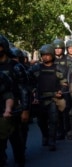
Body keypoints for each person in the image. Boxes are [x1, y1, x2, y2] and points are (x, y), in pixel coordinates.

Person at [28, 44, 67, 151]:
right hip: (40, 99)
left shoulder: (58, 69)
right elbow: (29, 82)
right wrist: (34, 92)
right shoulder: (36, 68)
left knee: (54, 120)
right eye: (43, 55)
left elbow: (64, 83)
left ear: (52, 55)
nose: (45, 57)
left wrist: (61, 91)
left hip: (53, 98)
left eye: (47, 55)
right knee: (41, 121)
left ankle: (52, 140)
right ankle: (45, 136)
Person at [0, 35, 30, 167]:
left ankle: (19, 159)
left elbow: (24, 90)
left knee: (17, 139)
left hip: (15, 108)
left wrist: (25, 109)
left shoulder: (16, 67)